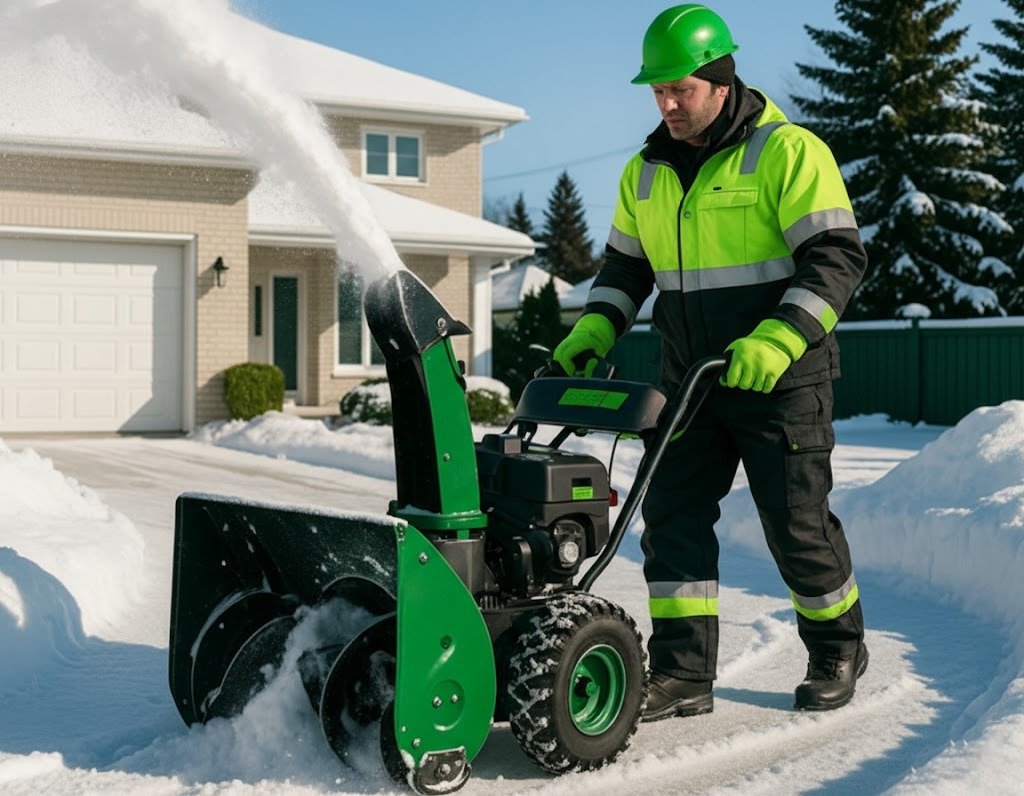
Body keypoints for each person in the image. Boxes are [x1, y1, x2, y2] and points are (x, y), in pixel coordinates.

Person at [553, 3, 869, 721]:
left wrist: (777, 339)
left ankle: (837, 648)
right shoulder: (645, 171)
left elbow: (836, 259)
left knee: (795, 523)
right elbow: (626, 268)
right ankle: (682, 672)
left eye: (680, 90)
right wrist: (596, 327)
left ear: (721, 83)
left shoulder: (788, 153)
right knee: (672, 520)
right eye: (658, 91)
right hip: (689, 379)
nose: (666, 104)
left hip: (781, 379)